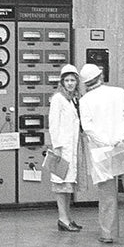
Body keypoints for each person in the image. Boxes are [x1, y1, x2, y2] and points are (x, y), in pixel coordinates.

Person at [78, 63, 124, 245]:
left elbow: (88, 127)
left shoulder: (85, 101)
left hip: (103, 153)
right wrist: (120, 138)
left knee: (107, 197)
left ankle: (107, 233)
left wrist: (106, 142)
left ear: (85, 83)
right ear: (101, 76)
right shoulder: (119, 92)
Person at [48, 64, 82, 232]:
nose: (70, 83)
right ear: (62, 82)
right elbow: (53, 124)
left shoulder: (72, 99)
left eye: (72, 80)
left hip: (71, 148)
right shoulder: (57, 99)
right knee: (61, 185)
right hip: (62, 149)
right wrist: (57, 147)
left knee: (68, 185)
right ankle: (62, 218)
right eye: (67, 80)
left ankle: (67, 218)